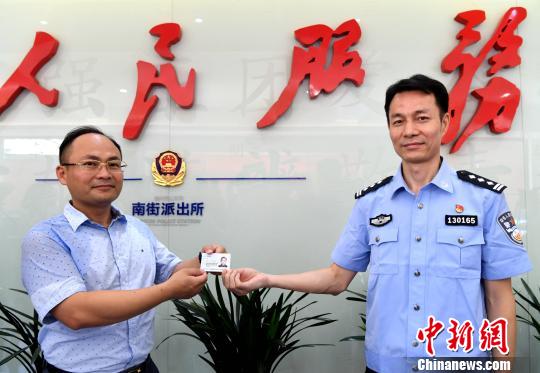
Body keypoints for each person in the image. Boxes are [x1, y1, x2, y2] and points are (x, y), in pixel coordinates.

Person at [223, 74, 532, 373]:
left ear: (445, 122)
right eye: (398, 121)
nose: (409, 130)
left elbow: (499, 297)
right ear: (389, 128)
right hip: (386, 367)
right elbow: (335, 278)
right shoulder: (372, 203)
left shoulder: (485, 200)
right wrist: (267, 278)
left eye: (422, 118)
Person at [21, 126, 225, 373]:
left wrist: (205, 260)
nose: (105, 173)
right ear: (62, 174)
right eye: (90, 163)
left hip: (143, 367)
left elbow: (171, 270)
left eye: (114, 164)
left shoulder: (135, 227)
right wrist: (168, 290)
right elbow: (76, 312)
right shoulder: (45, 238)